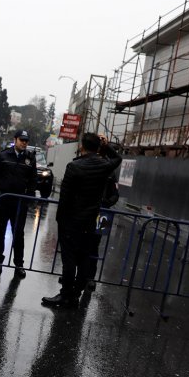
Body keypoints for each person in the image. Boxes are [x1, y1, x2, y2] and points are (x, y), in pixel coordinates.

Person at [42, 132, 121, 308]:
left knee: (69, 260)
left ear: (82, 147)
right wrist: (106, 146)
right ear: (98, 146)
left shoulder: (75, 166)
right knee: (85, 258)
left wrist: (60, 220)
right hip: (90, 220)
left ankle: (65, 296)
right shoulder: (104, 166)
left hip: (71, 220)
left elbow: (65, 197)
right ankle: (76, 295)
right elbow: (117, 158)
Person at [0, 129, 37, 279]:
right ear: (15, 140)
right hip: (2, 201)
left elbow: (33, 182)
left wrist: (29, 198)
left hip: (19, 204)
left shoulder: (30, 159)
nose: (24, 143)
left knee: (18, 234)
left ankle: (19, 264)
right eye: (21, 140)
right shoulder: (3, 155)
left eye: (26, 141)